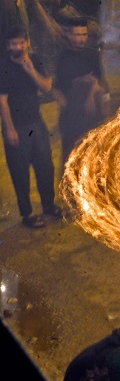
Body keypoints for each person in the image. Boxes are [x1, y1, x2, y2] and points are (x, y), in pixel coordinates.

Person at [0, 25, 60, 229]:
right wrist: (8, 129)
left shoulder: (34, 60)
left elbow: (47, 87)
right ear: (8, 46)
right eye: (12, 44)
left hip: (36, 122)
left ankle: (49, 204)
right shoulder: (3, 66)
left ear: (26, 43)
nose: (16, 47)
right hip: (16, 125)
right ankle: (28, 213)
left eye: (20, 42)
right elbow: (2, 101)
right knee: (20, 172)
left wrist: (30, 69)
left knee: (45, 165)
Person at [53, 17, 108, 160]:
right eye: (77, 35)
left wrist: (91, 92)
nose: (81, 39)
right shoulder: (62, 58)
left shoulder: (93, 55)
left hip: (92, 115)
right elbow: (62, 87)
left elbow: (99, 82)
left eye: (84, 34)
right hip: (72, 117)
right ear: (69, 35)